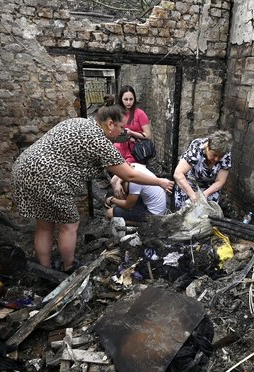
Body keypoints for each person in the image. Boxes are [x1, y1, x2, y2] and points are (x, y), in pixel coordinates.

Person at [11, 96, 174, 272]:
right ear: (110, 123)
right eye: (121, 127)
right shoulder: (100, 141)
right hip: (47, 176)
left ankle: (44, 268)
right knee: (70, 224)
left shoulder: (82, 123)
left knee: (44, 224)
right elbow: (130, 175)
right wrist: (159, 181)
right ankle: (69, 266)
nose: (122, 132)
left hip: (24, 168)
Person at [173, 130, 233, 208]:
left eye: (220, 156)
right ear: (207, 146)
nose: (216, 159)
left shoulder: (226, 154)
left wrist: (204, 195)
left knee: (208, 211)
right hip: (189, 183)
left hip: (209, 187)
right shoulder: (197, 148)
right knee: (185, 208)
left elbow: (220, 181)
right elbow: (178, 174)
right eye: (214, 155)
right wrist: (193, 196)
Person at [111, 85, 152, 198]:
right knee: (119, 180)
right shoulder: (118, 113)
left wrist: (131, 133)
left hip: (134, 150)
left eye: (131, 99)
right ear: (121, 99)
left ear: (134, 99)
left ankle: (125, 204)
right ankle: (123, 202)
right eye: (126, 99)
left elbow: (148, 135)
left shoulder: (140, 113)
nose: (128, 102)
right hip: (119, 148)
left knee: (117, 181)